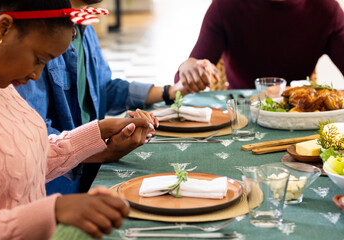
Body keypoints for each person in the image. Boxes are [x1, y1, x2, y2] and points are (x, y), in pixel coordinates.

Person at [0, 0, 156, 239]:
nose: (36, 75)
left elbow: (20, 161)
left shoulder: (0, 83)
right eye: (38, 59)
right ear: (3, 28)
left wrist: (97, 131)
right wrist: (54, 211)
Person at [15, 0, 220, 195]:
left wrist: (171, 91)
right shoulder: (33, 36)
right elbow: (35, 139)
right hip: (57, 189)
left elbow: (104, 89)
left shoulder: (85, 28)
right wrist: (104, 150)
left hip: (91, 170)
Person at [174, 0, 344, 91]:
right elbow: (182, 81)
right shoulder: (225, 6)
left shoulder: (326, 9)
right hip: (242, 116)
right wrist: (189, 68)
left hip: (300, 115)